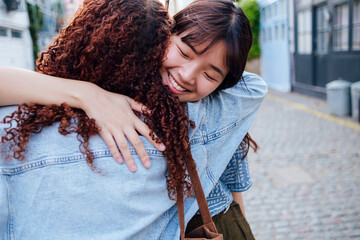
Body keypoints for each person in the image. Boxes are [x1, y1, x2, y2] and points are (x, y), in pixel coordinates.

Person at [0, 0, 267, 239]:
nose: (187, 75)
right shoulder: (211, 112)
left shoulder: (207, 110)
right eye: (184, 53)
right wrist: (88, 95)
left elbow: (233, 182)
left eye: (211, 76)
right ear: (162, 38)